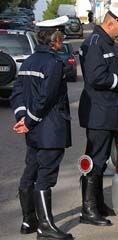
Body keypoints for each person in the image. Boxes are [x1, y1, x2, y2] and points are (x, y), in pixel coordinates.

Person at [10, 16, 73, 240]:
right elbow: (46, 98)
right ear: (55, 39)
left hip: (34, 131)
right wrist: (29, 120)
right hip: (50, 130)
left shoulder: (28, 62)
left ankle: (29, 220)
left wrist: (22, 117)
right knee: (45, 176)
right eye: (61, 36)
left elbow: (16, 92)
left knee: (31, 171)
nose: (63, 40)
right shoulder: (53, 63)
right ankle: (45, 228)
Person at [78, 5, 118, 226]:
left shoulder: (106, 42)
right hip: (99, 111)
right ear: (111, 22)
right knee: (94, 161)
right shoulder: (95, 43)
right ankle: (88, 210)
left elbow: (109, 73)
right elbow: (96, 79)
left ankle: (97, 204)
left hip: (108, 110)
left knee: (102, 161)